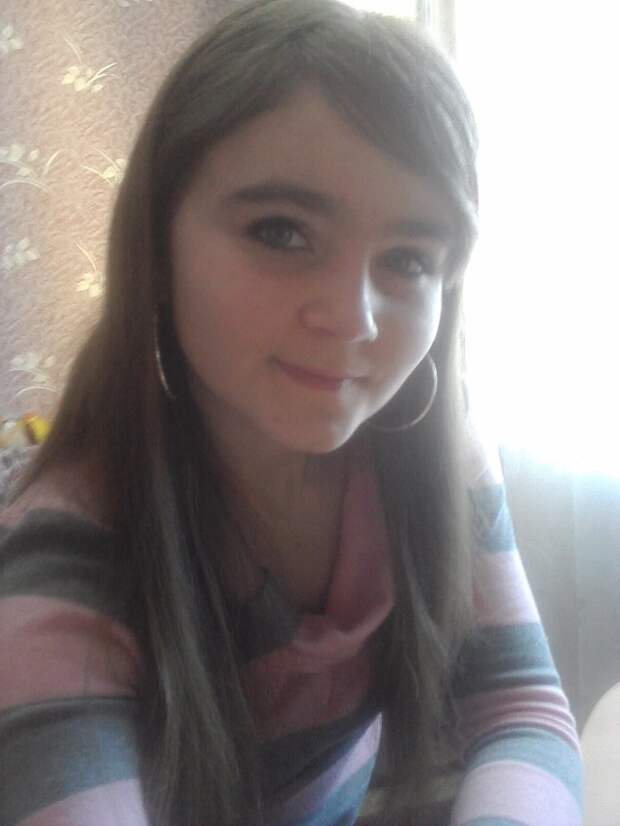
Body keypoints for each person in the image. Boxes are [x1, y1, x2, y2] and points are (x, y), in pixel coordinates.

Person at [0, 1, 583, 824]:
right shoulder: (69, 553)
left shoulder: (434, 453)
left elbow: (521, 704)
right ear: (157, 246)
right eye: (281, 232)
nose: (354, 319)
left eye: (409, 260)